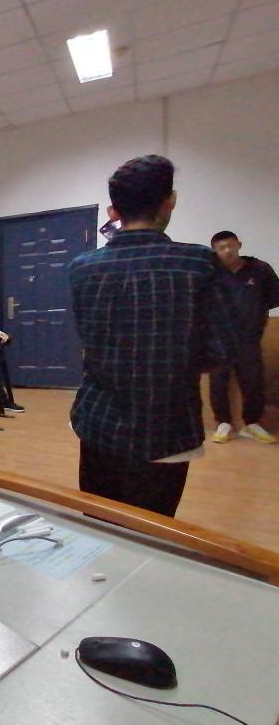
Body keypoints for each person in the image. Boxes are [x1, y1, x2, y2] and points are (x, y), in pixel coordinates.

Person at [69, 154, 240, 517]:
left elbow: (88, 340)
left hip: (98, 421)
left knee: (99, 524)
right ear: (170, 201)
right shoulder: (199, 263)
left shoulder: (82, 268)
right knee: (152, 530)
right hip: (168, 426)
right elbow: (222, 350)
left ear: (114, 211)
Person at [208, 230, 279, 444]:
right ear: (215, 251)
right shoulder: (210, 272)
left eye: (230, 245)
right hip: (218, 339)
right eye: (221, 248)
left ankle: (252, 424)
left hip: (249, 338)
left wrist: (253, 313)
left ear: (239, 244)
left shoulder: (260, 269)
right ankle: (223, 424)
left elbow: (273, 298)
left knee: (253, 381)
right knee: (218, 381)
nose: (227, 251)